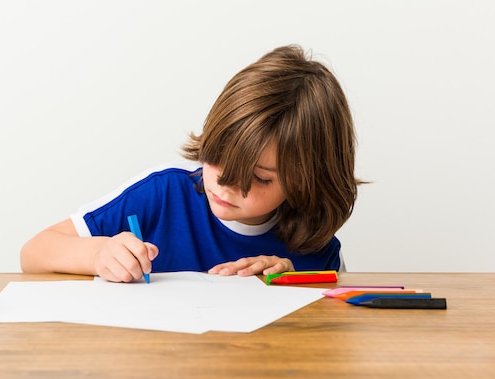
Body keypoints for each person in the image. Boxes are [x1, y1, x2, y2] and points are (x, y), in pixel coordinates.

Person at [21, 44, 362, 282]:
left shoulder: (316, 249)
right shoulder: (164, 192)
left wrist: (292, 283)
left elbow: (332, 322)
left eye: (259, 178)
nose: (225, 185)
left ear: (305, 181)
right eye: (216, 157)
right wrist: (98, 256)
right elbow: (34, 253)